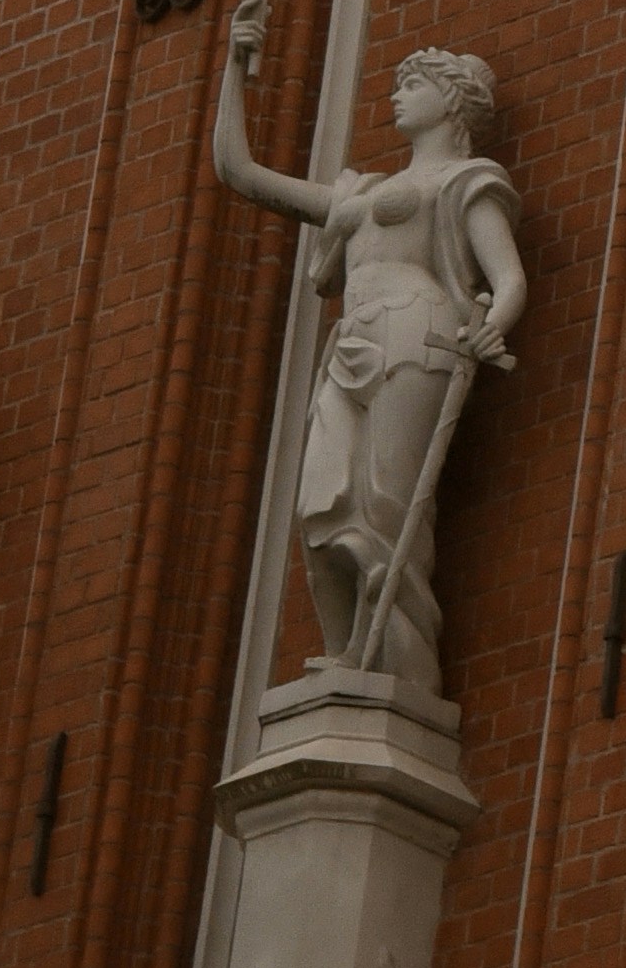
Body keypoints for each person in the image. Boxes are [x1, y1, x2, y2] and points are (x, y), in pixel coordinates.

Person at [212, 37, 526, 695]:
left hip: (418, 333)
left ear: (451, 103)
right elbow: (239, 172)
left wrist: (488, 330)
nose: (397, 90)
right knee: (321, 506)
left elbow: (508, 278)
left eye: (415, 82)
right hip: (352, 342)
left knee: (388, 504)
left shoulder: (465, 182)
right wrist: (237, 67)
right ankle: (346, 650)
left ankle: (395, 674)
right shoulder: (363, 192)